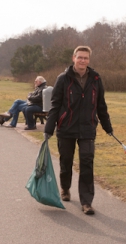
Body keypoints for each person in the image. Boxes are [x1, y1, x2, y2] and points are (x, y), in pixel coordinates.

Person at [44, 46, 113, 215]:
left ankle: (86, 202)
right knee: (66, 162)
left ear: (89, 60)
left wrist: (108, 127)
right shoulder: (63, 78)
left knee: (87, 163)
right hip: (66, 127)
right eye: (80, 57)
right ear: (73, 58)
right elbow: (55, 106)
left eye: (86, 58)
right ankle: (65, 188)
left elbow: (101, 106)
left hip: (88, 128)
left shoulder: (96, 79)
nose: (83, 60)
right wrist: (49, 129)